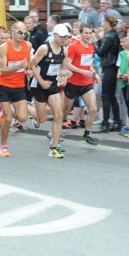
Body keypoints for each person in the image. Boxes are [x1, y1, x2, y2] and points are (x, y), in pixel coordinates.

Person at [29, 24, 72, 158]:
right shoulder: (44, 48)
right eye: (61, 36)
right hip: (39, 84)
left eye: (65, 37)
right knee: (41, 119)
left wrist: (66, 74)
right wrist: (41, 81)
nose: (64, 39)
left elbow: (62, 69)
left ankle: (54, 146)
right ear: (54, 35)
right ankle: (25, 106)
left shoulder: (64, 50)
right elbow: (32, 65)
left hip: (52, 84)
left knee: (59, 115)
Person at [0, 21, 32, 157]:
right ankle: (3, 146)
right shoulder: (4, 47)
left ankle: (6, 111)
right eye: (20, 32)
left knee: (22, 118)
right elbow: (3, 70)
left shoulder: (28, 45)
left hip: (18, 86)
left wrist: (29, 70)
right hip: (4, 86)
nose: (23, 35)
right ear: (13, 32)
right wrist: (18, 67)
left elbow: (28, 64)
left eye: (25, 33)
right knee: (9, 119)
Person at [63, 23, 100, 146]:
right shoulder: (74, 46)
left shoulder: (91, 46)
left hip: (86, 83)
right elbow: (68, 64)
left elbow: (88, 63)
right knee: (66, 110)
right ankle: (54, 132)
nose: (88, 36)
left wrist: (94, 73)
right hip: (73, 83)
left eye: (90, 33)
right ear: (80, 33)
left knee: (93, 108)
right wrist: (82, 71)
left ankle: (86, 135)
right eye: (86, 33)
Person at [94, 14, 122, 133]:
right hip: (111, 67)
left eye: (103, 22)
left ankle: (105, 124)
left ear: (107, 23)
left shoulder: (110, 36)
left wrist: (97, 40)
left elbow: (100, 52)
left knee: (105, 96)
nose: (101, 24)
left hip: (109, 67)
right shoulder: (112, 35)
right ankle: (116, 122)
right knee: (111, 96)